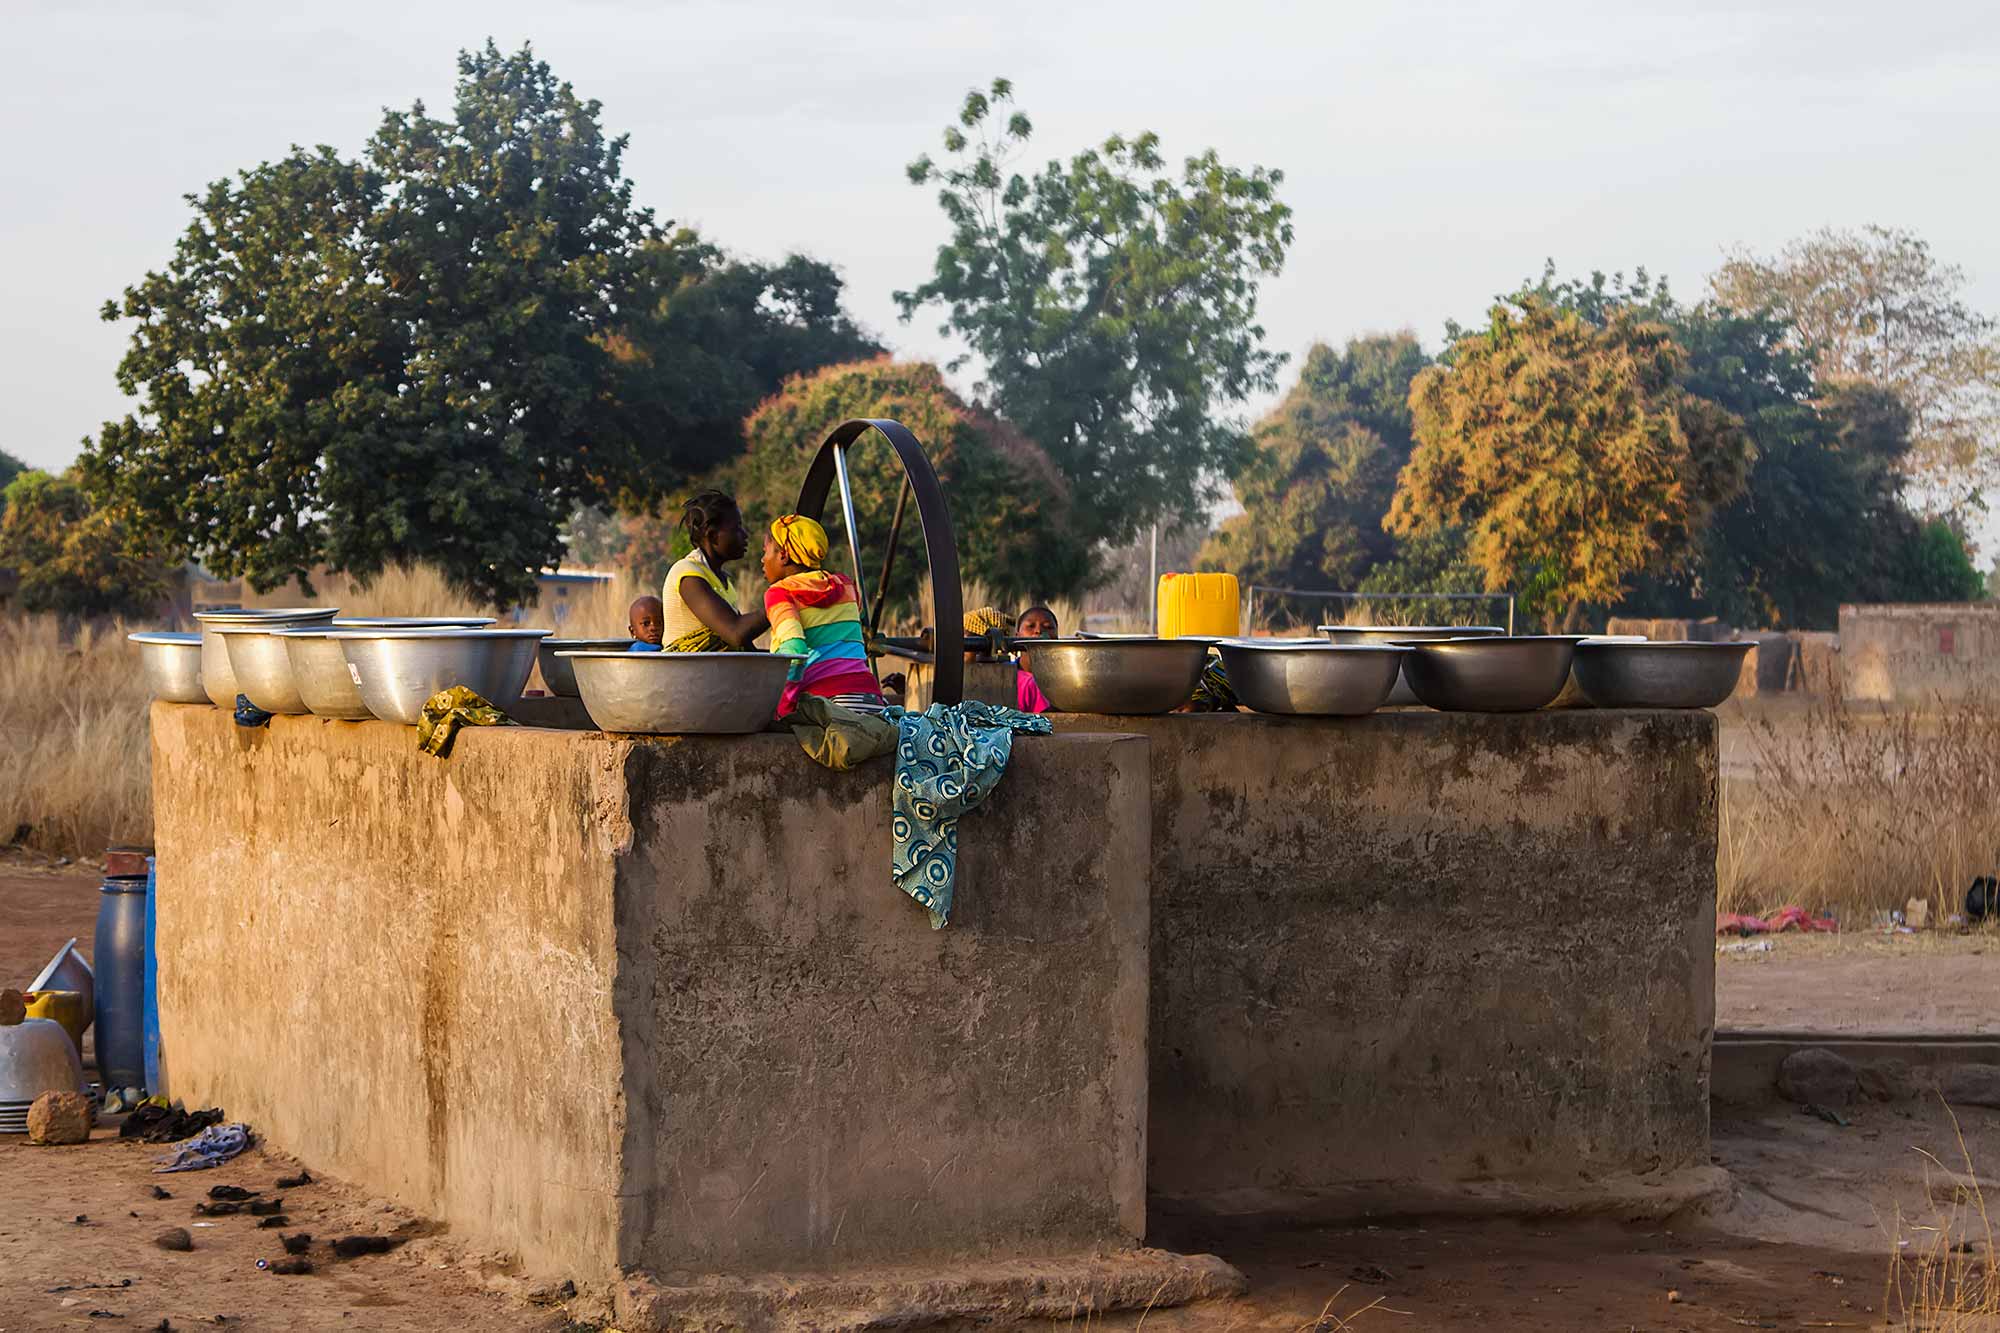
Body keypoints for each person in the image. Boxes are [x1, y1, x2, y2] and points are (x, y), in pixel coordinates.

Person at [762, 513, 884, 718]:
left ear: (783, 555)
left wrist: (784, 710)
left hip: (827, 704)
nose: (762, 560)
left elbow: (795, 651)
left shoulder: (779, 593)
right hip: (871, 697)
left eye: (765, 552)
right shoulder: (846, 585)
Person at [661, 490, 768, 652]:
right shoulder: (688, 574)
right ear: (712, 536)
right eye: (737, 528)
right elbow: (735, 633)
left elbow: (744, 647)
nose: (744, 535)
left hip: (712, 673)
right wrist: (782, 601)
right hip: (686, 673)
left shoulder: (722, 582)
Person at [1012, 604, 1057, 713]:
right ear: (1017, 636)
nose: (1038, 631)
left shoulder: (1067, 679)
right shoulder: (1006, 676)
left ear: (1057, 637)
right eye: (1031, 626)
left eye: (1048, 627)